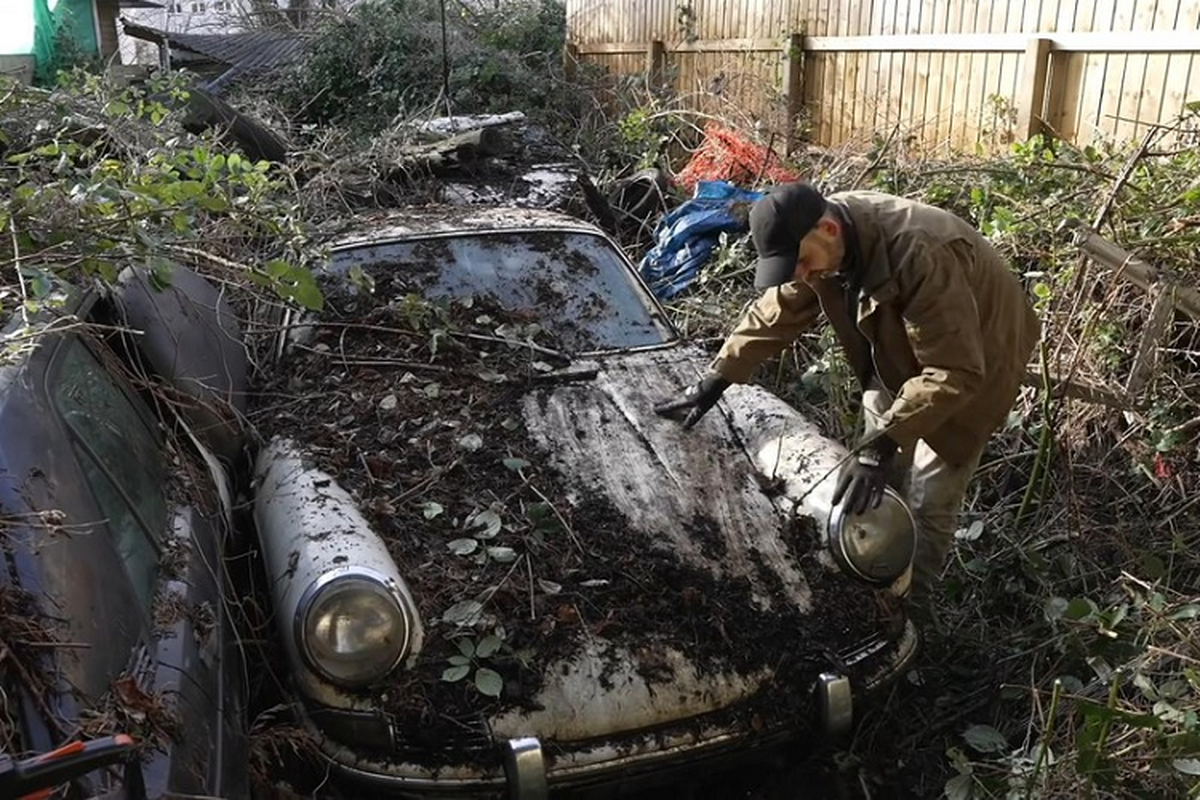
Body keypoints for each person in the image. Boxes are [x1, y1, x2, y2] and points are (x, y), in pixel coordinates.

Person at [654, 182, 1041, 602]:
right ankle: (871, 577)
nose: (801, 275)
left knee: (930, 498)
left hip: (974, 361)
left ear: (829, 229)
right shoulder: (821, 244)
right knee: (872, 479)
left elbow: (954, 370)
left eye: (802, 262)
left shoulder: (918, 251)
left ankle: (910, 613)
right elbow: (780, 308)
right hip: (898, 353)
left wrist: (883, 445)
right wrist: (719, 376)